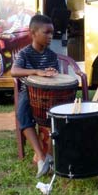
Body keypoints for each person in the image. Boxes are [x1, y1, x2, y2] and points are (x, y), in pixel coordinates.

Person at [10, 14, 59, 178]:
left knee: (59, 112)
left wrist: (52, 73)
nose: (50, 36)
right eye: (47, 33)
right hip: (29, 93)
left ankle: (51, 156)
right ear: (33, 33)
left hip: (50, 94)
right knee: (22, 113)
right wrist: (36, 71)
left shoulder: (52, 55)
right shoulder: (24, 53)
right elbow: (14, 71)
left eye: (52, 33)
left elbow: (55, 74)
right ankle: (41, 157)